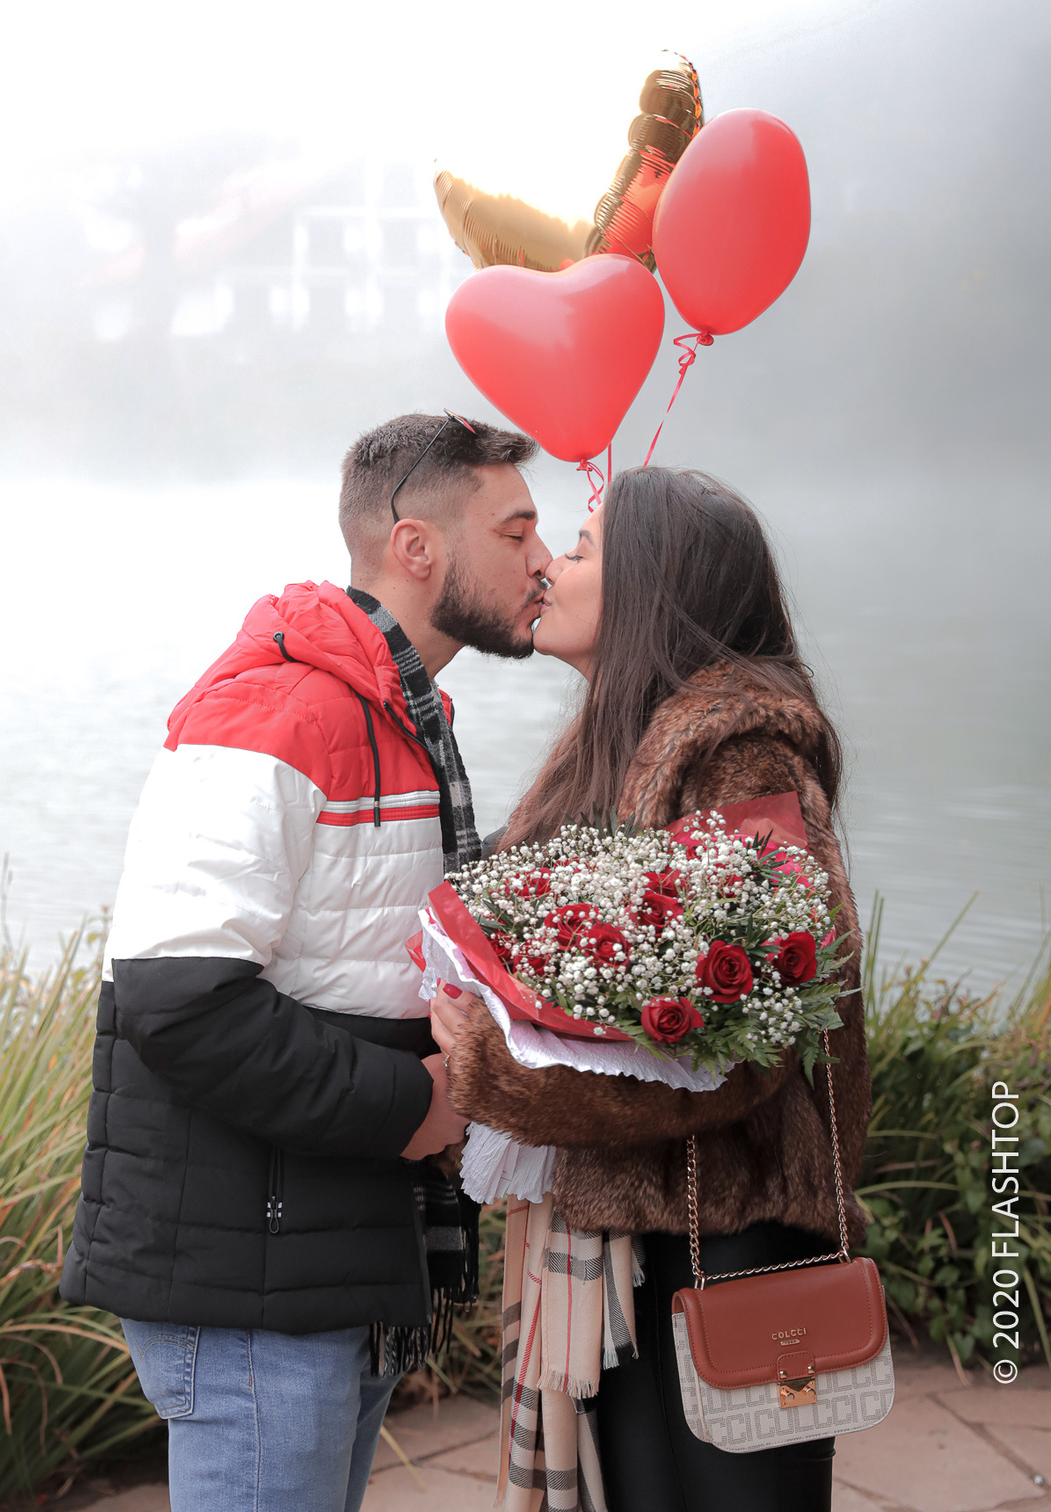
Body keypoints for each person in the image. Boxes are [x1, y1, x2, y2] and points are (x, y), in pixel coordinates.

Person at [60, 412, 551, 1512]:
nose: (542, 559)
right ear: (417, 548)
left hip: (331, 1255)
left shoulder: (401, 714)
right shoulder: (281, 707)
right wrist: (413, 1108)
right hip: (251, 1289)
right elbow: (177, 1000)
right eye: (515, 530)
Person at [432, 466, 870, 1512]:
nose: (549, 565)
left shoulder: (739, 755)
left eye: (580, 549)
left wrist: (497, 1072)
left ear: (650, 585)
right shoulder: (612, 743)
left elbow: (746, 1037)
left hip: (731, 1237)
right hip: (638, 1234)